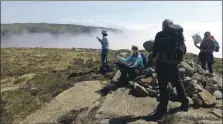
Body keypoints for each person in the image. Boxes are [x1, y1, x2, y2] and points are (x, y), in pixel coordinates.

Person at [149, 19, 189, 121]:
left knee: (163, 85)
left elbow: (155, 51)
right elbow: (184, 48)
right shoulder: (178, 34)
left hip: (162, 63)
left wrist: (153, 56)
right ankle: (185, 103)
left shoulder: (159, 34)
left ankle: (163, 107)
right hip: (173, 64)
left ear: (163, 25)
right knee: (178, 82)